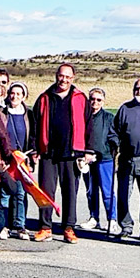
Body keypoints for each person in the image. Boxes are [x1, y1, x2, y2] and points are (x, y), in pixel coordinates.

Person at [32, 63, 90, 244]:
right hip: (48, 153)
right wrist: (35, 149)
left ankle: (68, 228)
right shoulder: (45, 97)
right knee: (46, 191)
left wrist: (88, 150)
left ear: (73, 78)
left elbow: (89, 124)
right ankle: (45, 227)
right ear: (56, 76)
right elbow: (35, 124)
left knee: (70, 192)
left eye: (67, 77)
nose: (64, 80)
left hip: (71, 153)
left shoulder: (80, 98)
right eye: (61, 76)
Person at [112, 78, 140, 243]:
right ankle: (126, 226)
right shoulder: (125, 109)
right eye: (137, 88)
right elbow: (114, 131)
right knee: (123, 195)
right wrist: (114, 143)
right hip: (126, 159)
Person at [79, 87, 119, 235]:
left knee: (107, 192)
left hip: (105, 159)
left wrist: (114, 145)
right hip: (86, 159)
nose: (95, 102)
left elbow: (114, 135)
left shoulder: (108, 117)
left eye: (98, 100)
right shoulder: (83, 116)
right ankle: (93, 217)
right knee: (91, 190)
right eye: (92, 99)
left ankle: (112, 219)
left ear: (103, 101)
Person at [4, 81, 36, 239]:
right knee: (4, 193)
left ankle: (19, 225)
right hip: (6, 159)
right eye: (12, 93)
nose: (14, 96)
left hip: (22, 159)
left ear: (24, 96)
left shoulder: (29, 114)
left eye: (18, 94)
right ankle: (3, 225)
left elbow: (33, 136)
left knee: (20, 193)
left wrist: (32, 154)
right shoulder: (3, 112)